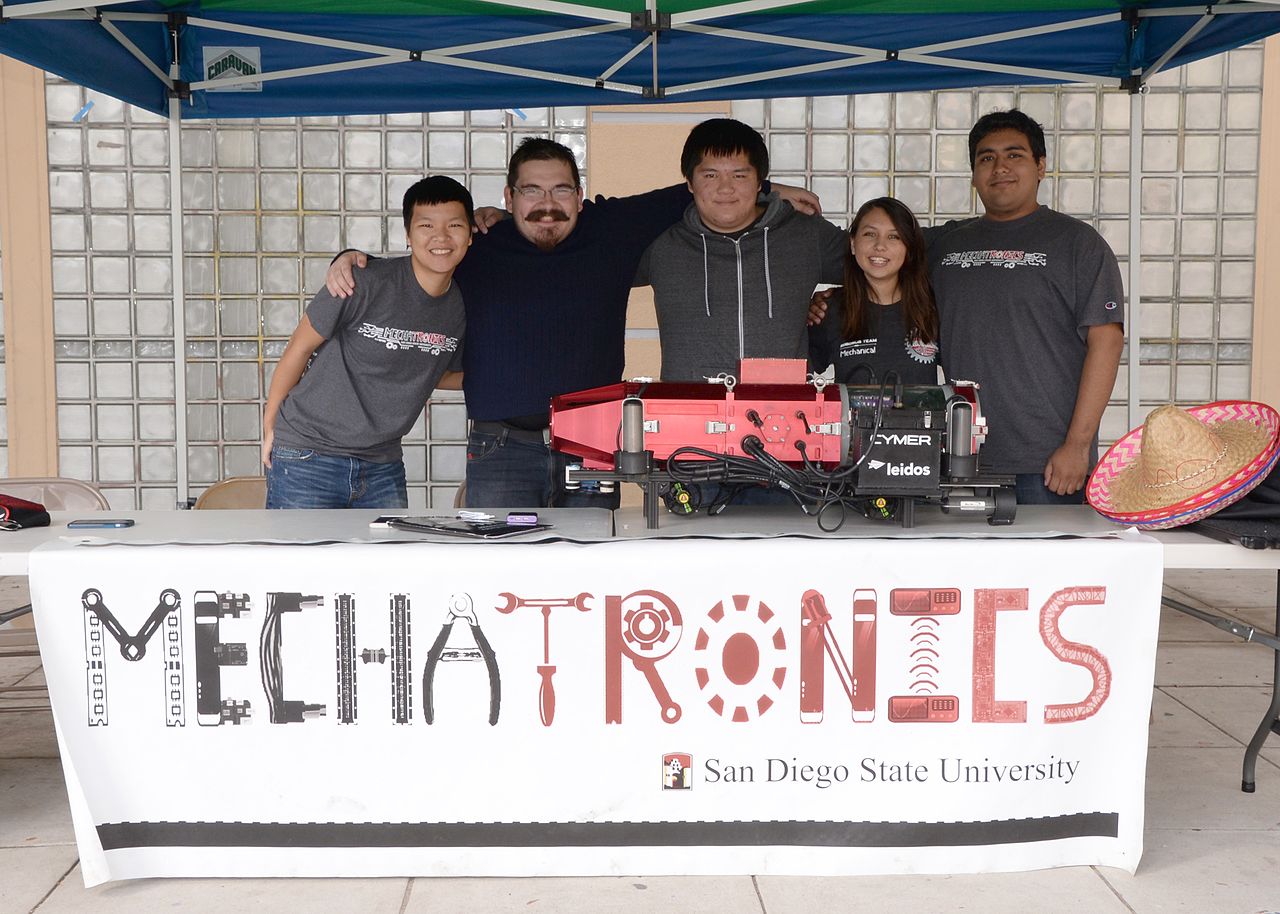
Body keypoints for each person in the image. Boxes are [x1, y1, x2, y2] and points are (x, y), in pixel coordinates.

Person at [325, 138, 819, 509]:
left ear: (580, 195)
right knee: (500, 578)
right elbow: (420, 262)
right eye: (532, 190)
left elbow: (697, 189)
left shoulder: (608, 232)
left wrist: (769, 189)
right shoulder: (477, 247)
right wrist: (354, 259)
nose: (547, 203)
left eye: (561, 189)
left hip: (593, 444)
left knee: (588, 569)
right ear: (510, 195)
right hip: (500, 448)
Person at [927, 109, 1125, 504]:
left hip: (1049, 465)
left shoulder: (1078, 244)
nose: (1000, 167)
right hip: (963, 457)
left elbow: (1107, 343)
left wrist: (1077, 445)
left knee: (1056, 569)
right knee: (973, 569)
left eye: (1014, 155)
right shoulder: (944, 247)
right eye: (986, 158)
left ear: (1040, 166)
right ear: (973, 174)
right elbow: (875, 259)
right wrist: (827, 300)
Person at [261, 176, 472, 509]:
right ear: (408, 234)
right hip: (309, 453)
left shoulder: (460, 306)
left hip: (382, 463)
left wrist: (506, 380)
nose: (441, 237)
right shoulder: (361, 281)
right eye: (426, 225)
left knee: (384, 562)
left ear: (470, 234)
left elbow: (434, 371)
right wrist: (270, 422)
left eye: (455, 225)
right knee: (301, 561)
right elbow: (299, 349)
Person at [635, 118, 846, 383]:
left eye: (740, 175)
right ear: (689, 183)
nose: (725, 188)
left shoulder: (805, 234)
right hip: (690, 414)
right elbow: (589, 268)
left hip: (784, 413)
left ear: (760, 182)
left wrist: (837, 301)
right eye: (710, 175)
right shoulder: (661, 244)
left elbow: (888, 258)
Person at [810, 196, 940, 386]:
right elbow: (793, 374)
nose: (880, 246)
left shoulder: (934, 307)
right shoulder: (826, 310)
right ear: (853, 244)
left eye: (893, 236)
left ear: (909, 248)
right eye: (870, 234)